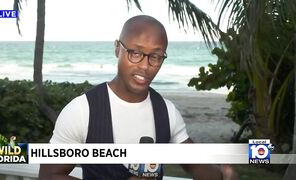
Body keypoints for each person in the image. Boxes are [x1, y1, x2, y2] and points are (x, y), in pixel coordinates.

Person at [39, 15, 238, 180]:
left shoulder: (166, 112)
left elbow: (195, 165)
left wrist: (222, 176)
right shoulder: (83, 111)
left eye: (156, 56)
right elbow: (49, 175)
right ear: (118, 48)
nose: (145, 65)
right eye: (135, 53)